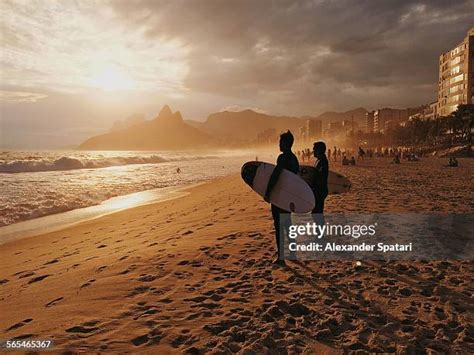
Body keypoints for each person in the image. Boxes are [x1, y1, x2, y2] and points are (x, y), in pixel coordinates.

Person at [265, 130, 299, 266]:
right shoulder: (294, 158)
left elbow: (276, 175)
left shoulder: (283, 157)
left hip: (280, 196)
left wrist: (268, 192)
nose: (279, 144)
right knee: (287, 224)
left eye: (280, 142)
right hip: (289, 197)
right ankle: (292, 253)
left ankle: (281, 258)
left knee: (279, 225)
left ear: (285, 143)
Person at [311, 141, 329, 227]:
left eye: (314, 149)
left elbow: (320, 177)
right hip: (318, 190)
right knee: (316, 213)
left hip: (320, 190)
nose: (313, 151)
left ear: (319, 150)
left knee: (317, 213)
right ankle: (319, 233)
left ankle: (320, 234)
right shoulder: (319, 160)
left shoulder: (323, 162)